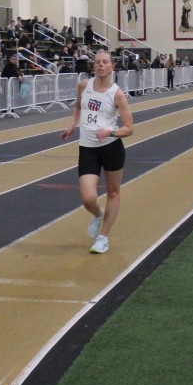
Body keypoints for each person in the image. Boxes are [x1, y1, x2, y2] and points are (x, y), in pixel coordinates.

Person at [60, 50, 134, 254]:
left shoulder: (117, 94)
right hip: (87, 148)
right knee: (88, 198)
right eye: (97, 62)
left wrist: (109, 132)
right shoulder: (84, 86)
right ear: (93, 66)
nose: (101, 65)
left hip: (111, 148)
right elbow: (78, 106)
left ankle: (103, 238)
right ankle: (98, 214)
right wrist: (72, 124)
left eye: (105, 62)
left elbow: (129, 128)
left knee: (113, 192)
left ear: (112, 67)